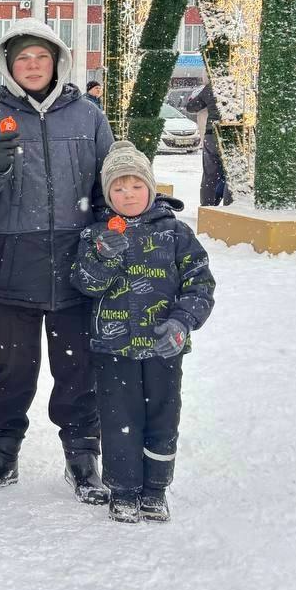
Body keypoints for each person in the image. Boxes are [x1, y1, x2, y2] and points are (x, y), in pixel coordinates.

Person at [0, 20, 113, 505]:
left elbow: (109, 187)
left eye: (41, 57)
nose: (33, 66)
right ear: (8, 65)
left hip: (76, 263)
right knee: (12, 370)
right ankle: (0, 454)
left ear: (58, 62)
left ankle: (83, 457)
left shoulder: (88, 117)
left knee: (78, 369)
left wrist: (108, 235)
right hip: (11, 261)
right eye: (23, 59)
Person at [70, 141, 215, 522]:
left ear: (150, 188)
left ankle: (155, 488)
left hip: (163, 348)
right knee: (118, 416)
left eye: (136, 185)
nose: (128, 194)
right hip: (113, 348)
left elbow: (200, 285)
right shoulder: (94, 236)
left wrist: (182, 323)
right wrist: (103, 257)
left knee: (163, 417)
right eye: (118, 187)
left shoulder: (175, 233)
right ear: (107, 193)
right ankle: (124, 488)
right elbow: (85, 284)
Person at [186, 82, 231, 206]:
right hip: (233, 133)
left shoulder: (212, 86)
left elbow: (191, 107)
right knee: (232, 175)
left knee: (210, 174)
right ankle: (230, 208)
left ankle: (207, 207)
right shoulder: (240, 85)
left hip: (211, 134)